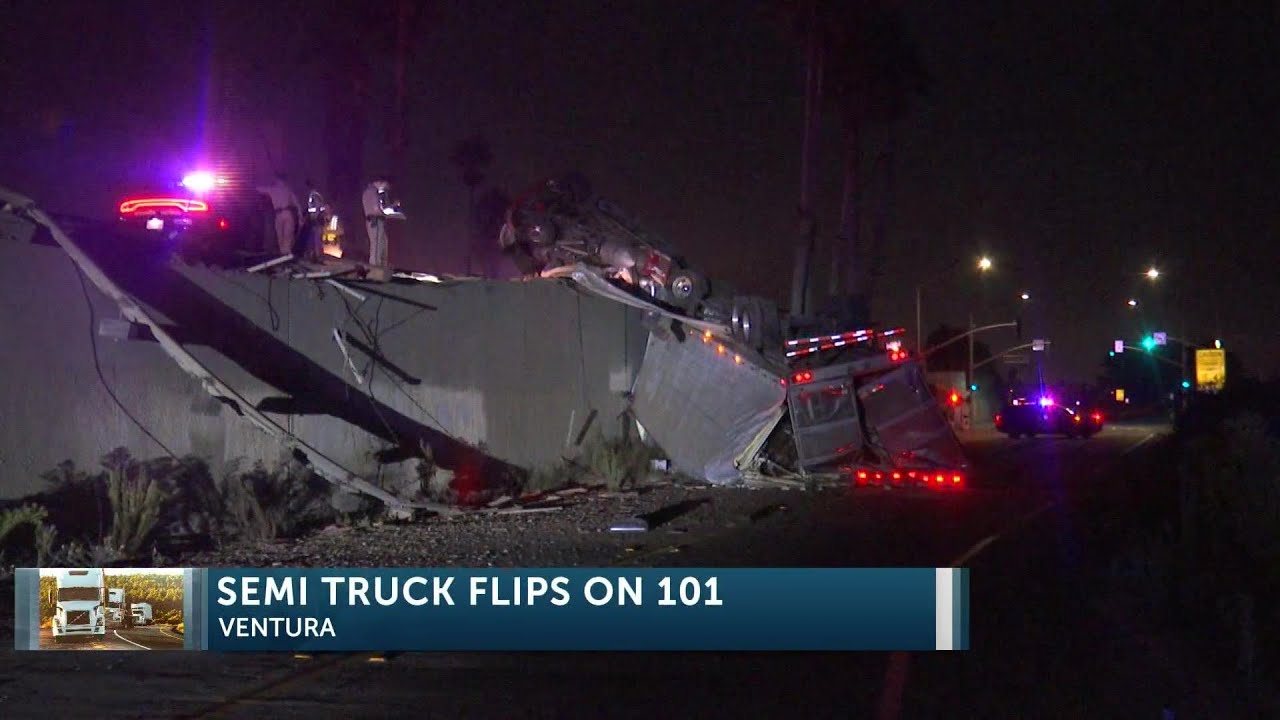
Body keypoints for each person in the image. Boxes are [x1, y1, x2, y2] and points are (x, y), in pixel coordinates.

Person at [361, 177, 403, 268]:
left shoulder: (373, 192)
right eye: (386, 185)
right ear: (381, 182)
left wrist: (391, 207)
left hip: (377, 221)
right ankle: (375, 267)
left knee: (382, 243)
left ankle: (381, 266)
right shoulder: (372, 192)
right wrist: (389, 214)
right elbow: (376, 210)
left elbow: (380, 208)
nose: (386, 188)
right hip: (375, 221)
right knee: (377, 246)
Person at [256, 173, 300, 256]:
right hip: (283, 213)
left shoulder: (278, 190)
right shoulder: (282, 189)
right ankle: (284, 253)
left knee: (284, 235)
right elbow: (297, 204)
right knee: (284, 235)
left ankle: (285, 253)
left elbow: (260, 189)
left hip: (282, 213)